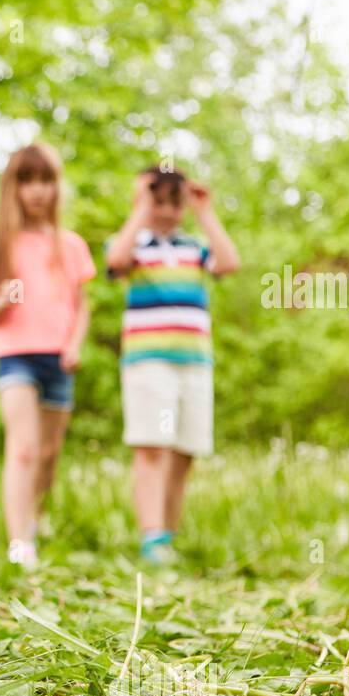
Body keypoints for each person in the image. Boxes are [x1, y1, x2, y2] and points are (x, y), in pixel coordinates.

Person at [105, 165, 241, 564]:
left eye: (172, 203)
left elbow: (229, 263)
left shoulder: (194, 248)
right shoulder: (134, 244)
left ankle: (167, 533)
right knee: (153, 446)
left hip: (194, 364)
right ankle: (152, 539)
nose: (165, 211)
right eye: (157, 201)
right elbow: (116, 259)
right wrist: (141, 206)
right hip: (149, 362)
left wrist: (205, 212)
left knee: (185, 449)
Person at [0, 143, 96, 567]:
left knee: (47, 455)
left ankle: (37, 515)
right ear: (14, 188)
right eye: (28, 182)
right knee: (22, 448)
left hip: (59, 359)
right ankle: (19, 543)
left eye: (45, 181)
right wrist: (1, 300)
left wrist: (75, 344)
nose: (38, 191)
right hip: (15, 356)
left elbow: (81, 305)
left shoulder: (71, 245)